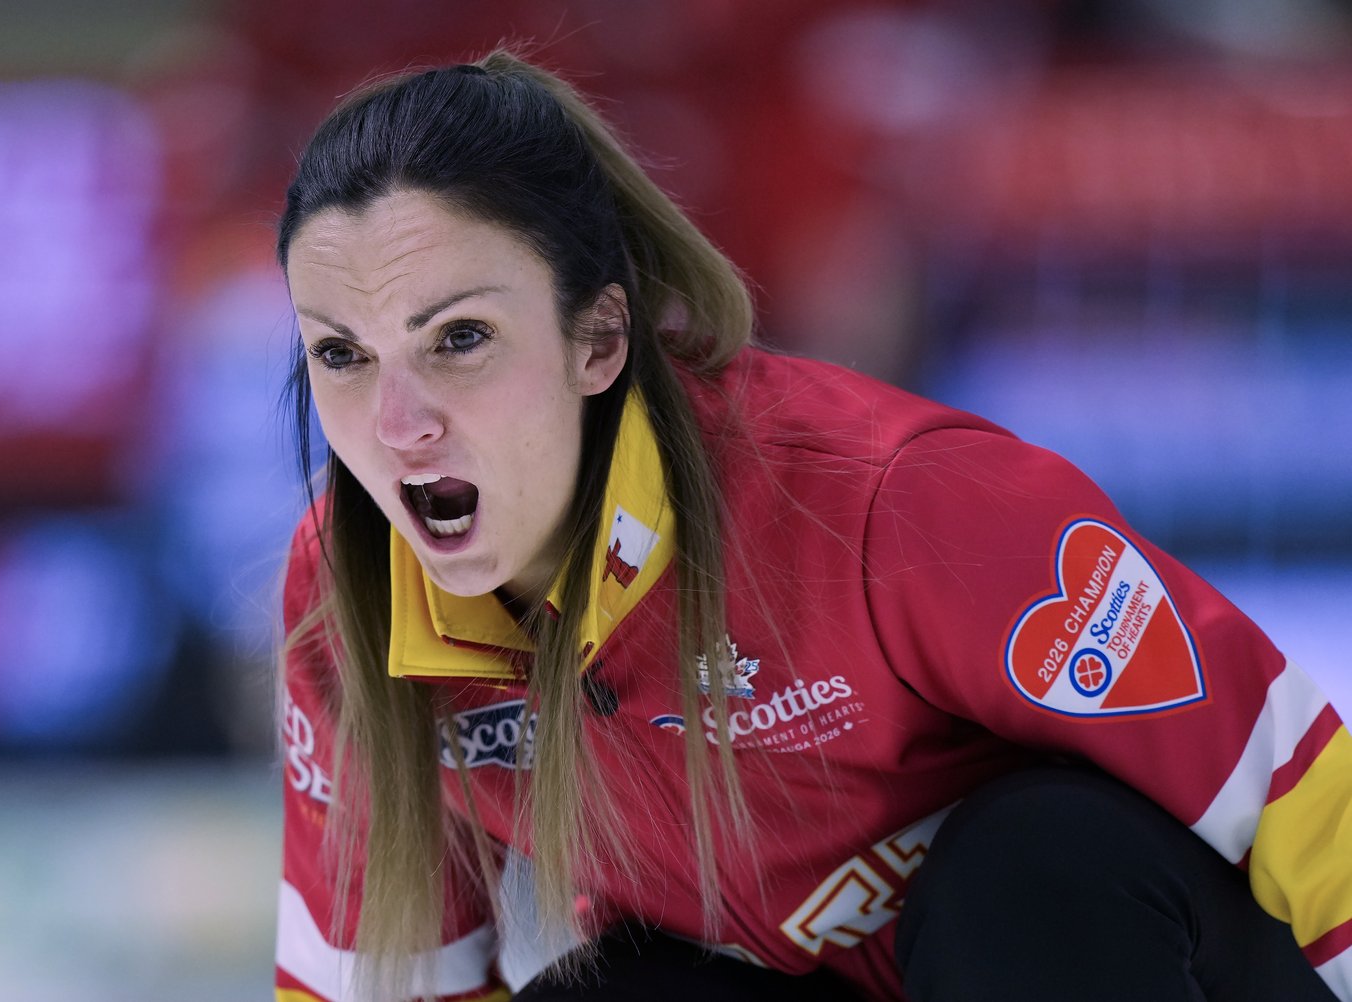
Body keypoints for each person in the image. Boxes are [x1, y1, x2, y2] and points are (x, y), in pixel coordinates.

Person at [272, 51, 1351, 1002]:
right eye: (341, 355)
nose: (399, 424)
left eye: (459, 338)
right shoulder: (345, 605)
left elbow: (1303, 794)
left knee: (1027, 874)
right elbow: (376, 984)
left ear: (598, 340)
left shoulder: (892, 504)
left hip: (1123, 951)